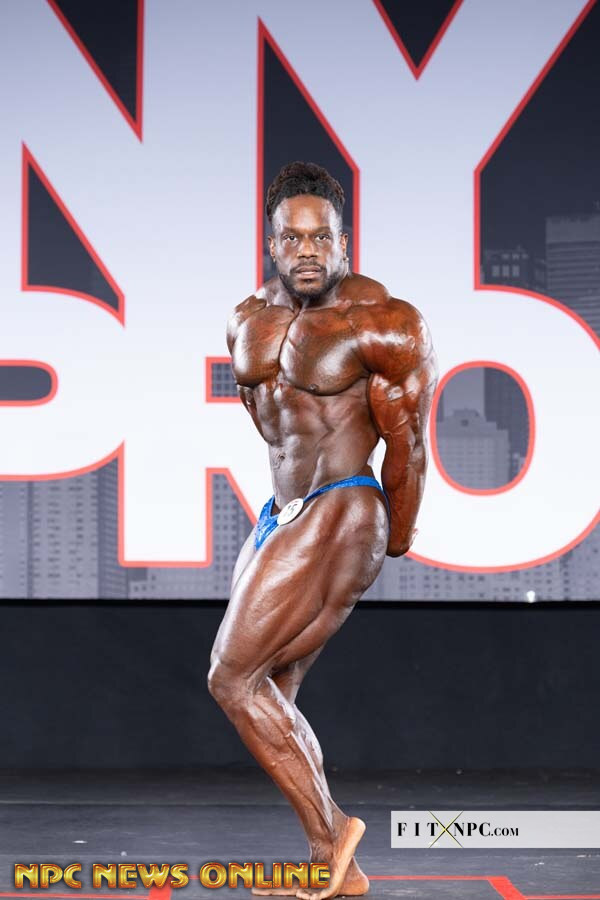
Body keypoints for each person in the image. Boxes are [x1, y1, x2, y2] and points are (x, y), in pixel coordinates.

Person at [208, 161, 437, 899]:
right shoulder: (247, 319)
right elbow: (269, 423)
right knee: (268, 689)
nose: (306, 251)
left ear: (343, 243)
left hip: (344, 504)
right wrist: (288, 506)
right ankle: (334, 867)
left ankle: (334, 836)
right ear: (271, 243)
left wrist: (393, 536)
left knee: (231, 677)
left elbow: (408, 443)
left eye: (320, 238)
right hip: (285, 512)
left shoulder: (383, 320)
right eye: (291, 238)